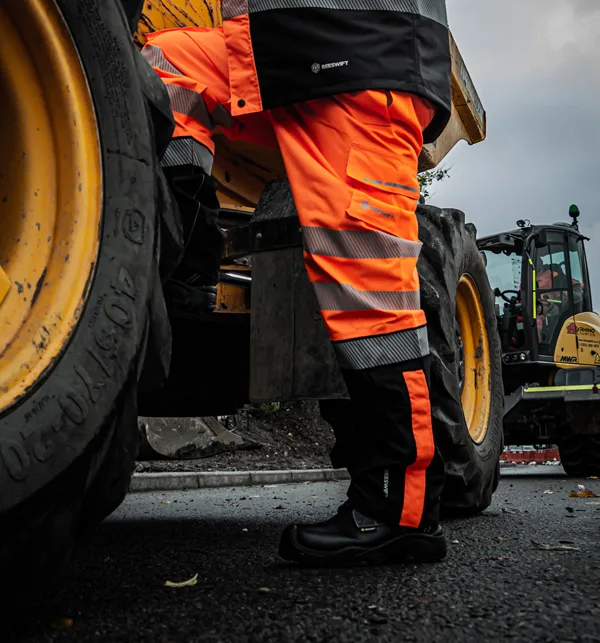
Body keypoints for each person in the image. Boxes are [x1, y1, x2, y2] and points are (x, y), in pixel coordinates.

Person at [142, 0, 452, 566]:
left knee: (371, 302)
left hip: (359, 58)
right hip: (278, 50)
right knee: (167, 65)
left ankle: (400, 512)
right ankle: (190, 255)